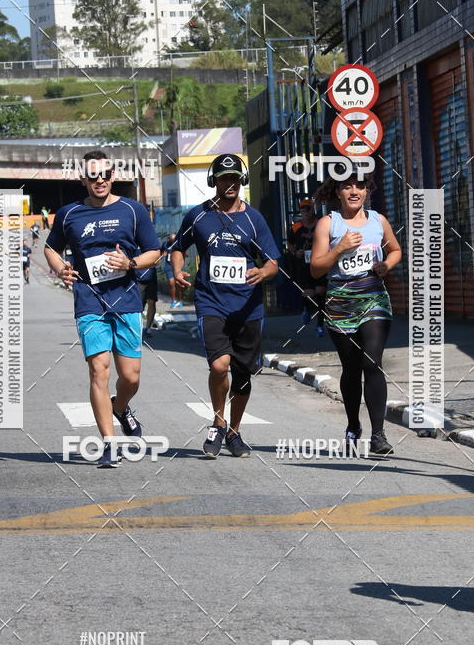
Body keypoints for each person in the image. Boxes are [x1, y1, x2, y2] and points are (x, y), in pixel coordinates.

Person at [44, 150, 160, 468]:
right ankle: (109, 444)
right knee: (99, 370)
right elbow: (51, 247)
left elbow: (155, 251)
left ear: (113, 175)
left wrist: (131, 262)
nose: (100, 180)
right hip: (89, 300)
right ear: (83, 179)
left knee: (130, 376)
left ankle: (120, 407)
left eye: (105, 174)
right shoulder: (69, 214)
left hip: (125, 300)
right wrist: (59, 268)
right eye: (93, 176)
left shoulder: (133, 211)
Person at [171, 153, 280, 458]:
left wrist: (262, 272)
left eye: (234, 178)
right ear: (213, 180)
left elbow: (273, 261)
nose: (229, 183)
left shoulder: (254, 219)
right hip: (211, 303)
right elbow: (177, 247)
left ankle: (234, 432)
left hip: (248, 307)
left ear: (242, 180)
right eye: (223, 178)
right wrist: (177, 271)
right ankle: (218, 423)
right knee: (220, 365)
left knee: (243, 374)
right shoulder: (198, 216)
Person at [311, 170, 402, 457]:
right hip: (340, 304)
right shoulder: (328, 223)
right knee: (351, 369)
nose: (354, 191)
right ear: (337, 192)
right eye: (347, 186)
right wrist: (339, 248)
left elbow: (396, 250)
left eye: (360, 186)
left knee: (371, 362)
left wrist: (386, 265)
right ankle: (353, 425)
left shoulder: (378, 221)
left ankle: (379, 435)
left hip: (374, 298)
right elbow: (316, 268)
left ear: (366, 191)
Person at [287, 197, 326, 335]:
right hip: (303, 264)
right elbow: (289, 244)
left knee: (321, 292)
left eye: (308, 209)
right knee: (309, 294)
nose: (305, 212)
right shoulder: (296, 226)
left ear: (312, 210)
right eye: (302, 209)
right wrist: (295, 251)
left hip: (319, 262)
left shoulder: (321, 223)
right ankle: (307, 309)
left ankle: (320, 325)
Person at [136, 262, 158, 338]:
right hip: (138, 277)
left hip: (151, 277)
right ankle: (137, 328)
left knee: (151, 302)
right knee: (139, 305)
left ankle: (148, 328)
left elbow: (161, 256)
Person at [161, 233, 182, 308]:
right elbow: (161, 252)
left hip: (177, 266)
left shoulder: (179, 244)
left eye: (174, 240)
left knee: (178, 283)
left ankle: (180, 301)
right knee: (171, 283)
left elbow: (186, 254)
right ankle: (173, 301)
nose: (172, 242)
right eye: (171, 240)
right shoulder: (166, 244)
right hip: (168, 266)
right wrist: (163, 254)